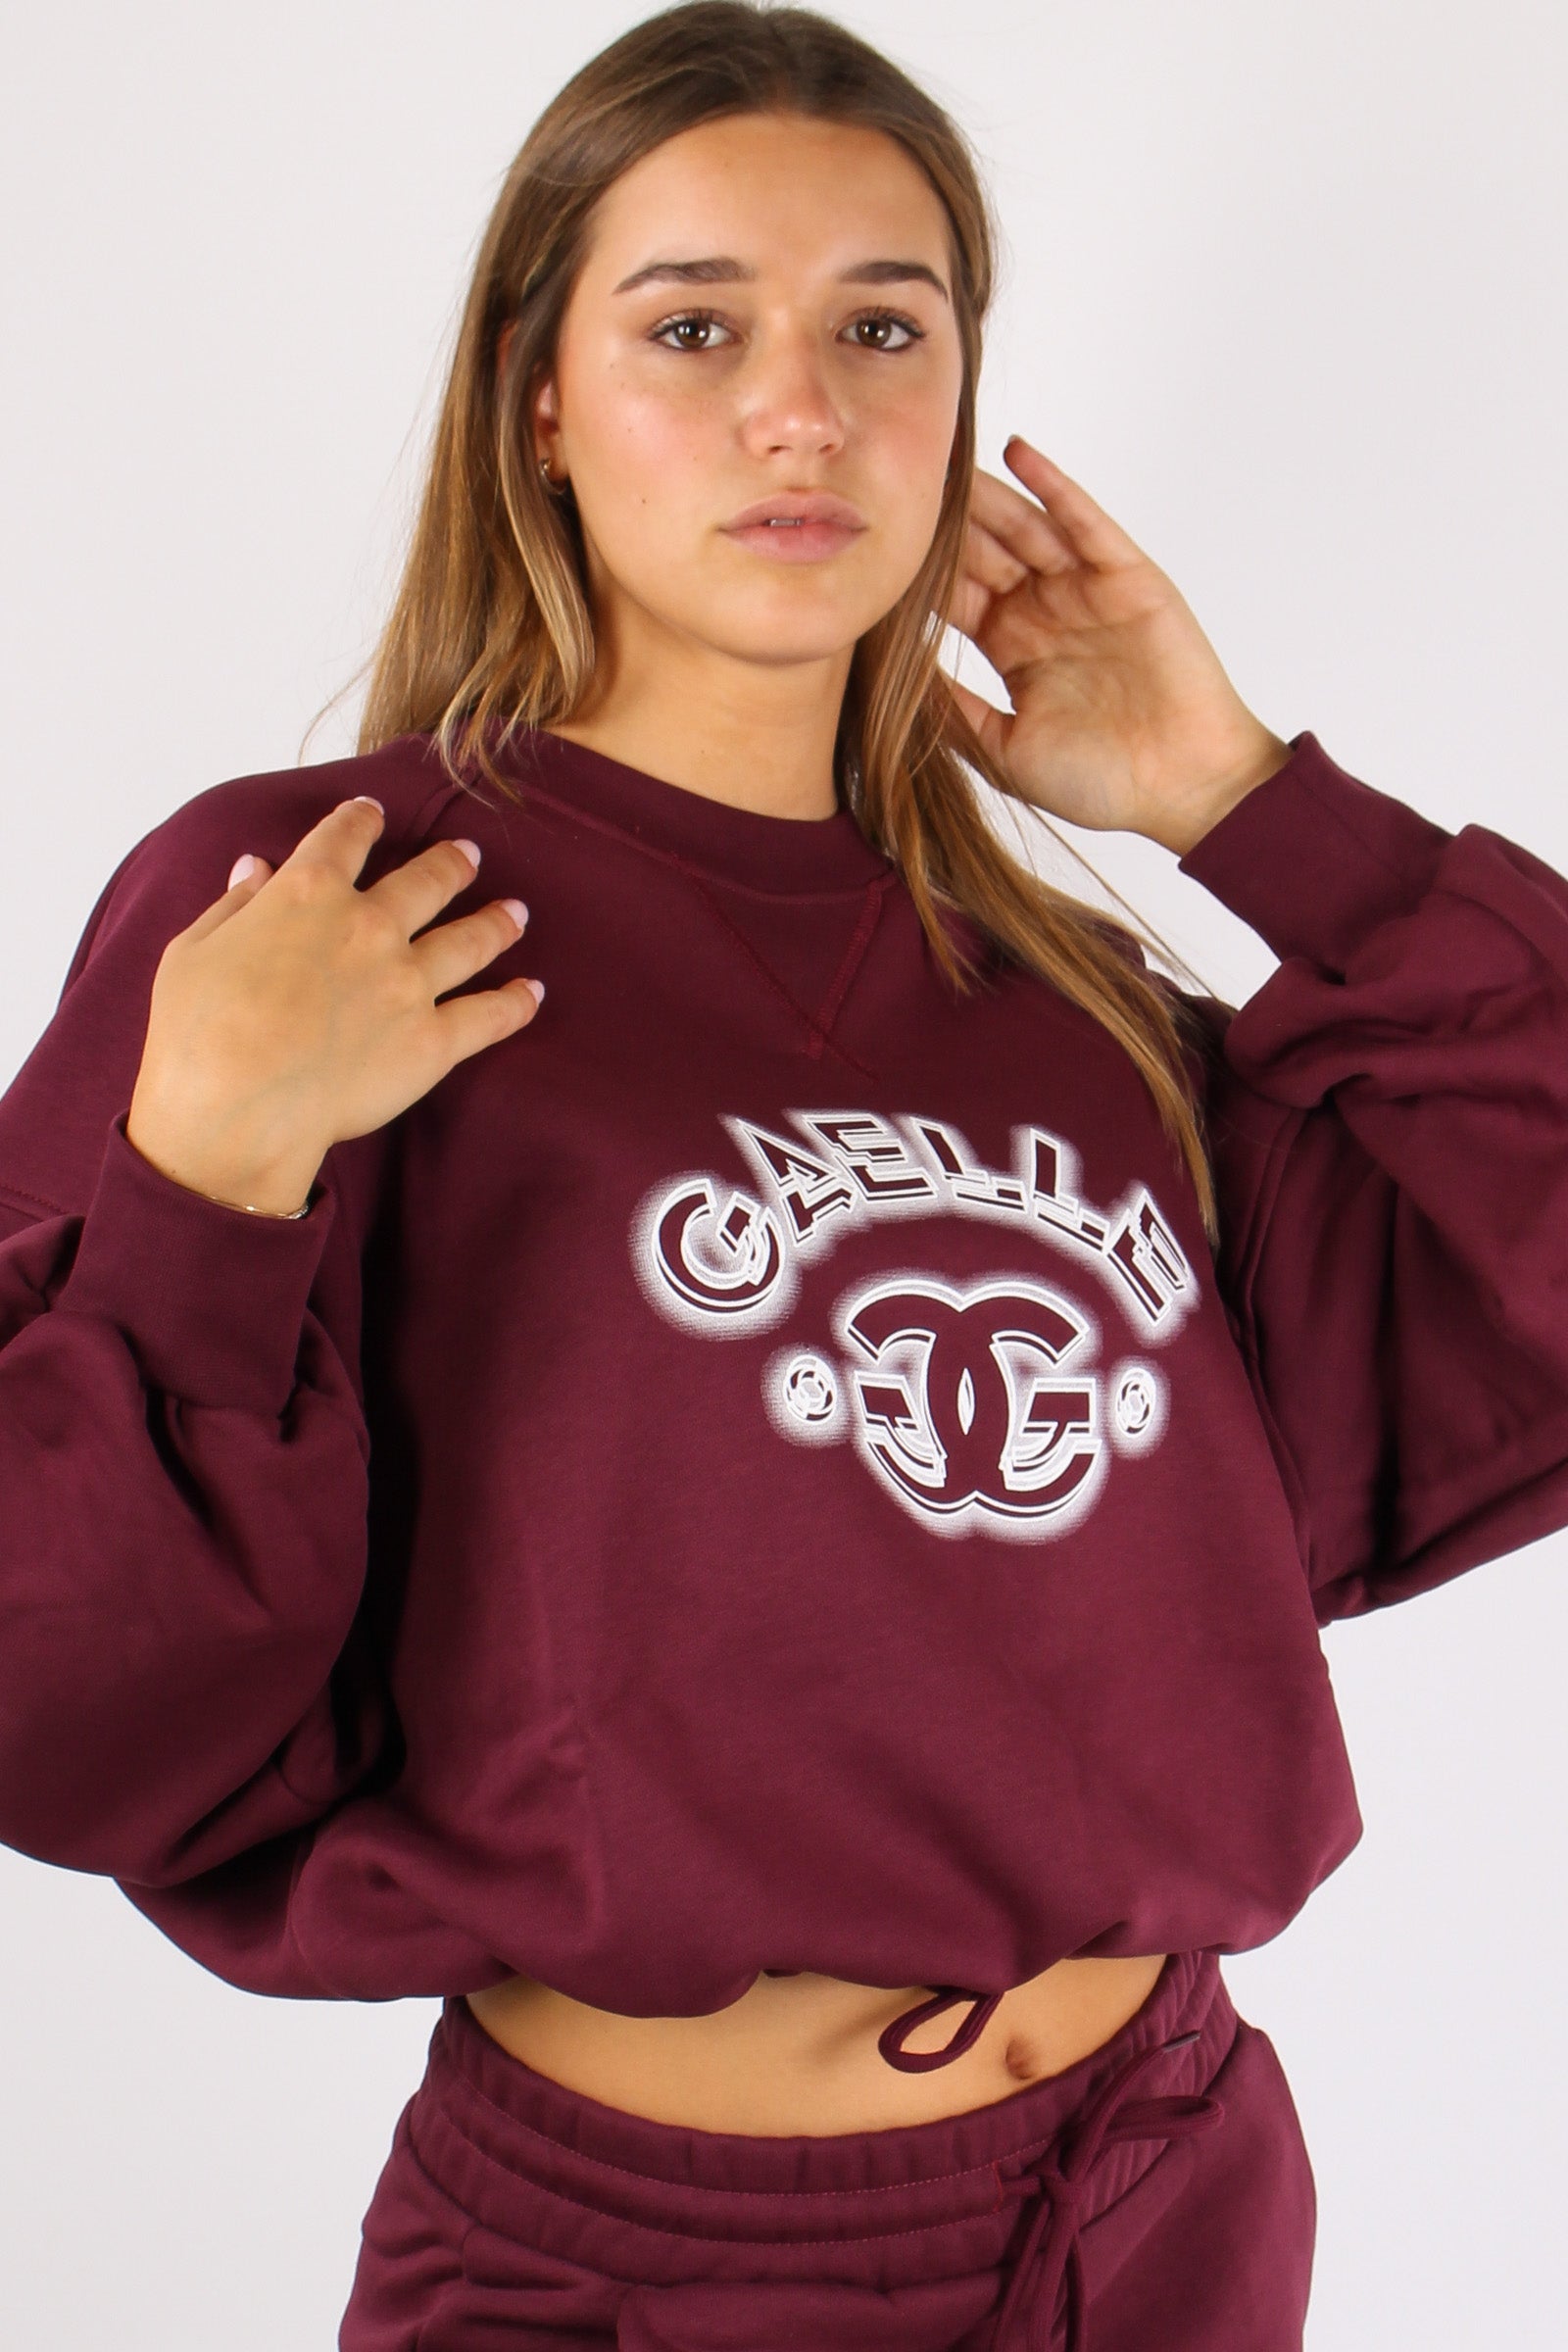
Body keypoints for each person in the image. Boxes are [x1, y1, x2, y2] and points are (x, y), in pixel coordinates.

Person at [1, 4, 1564, 2345]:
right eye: (693, 325)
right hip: (640, 2258)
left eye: (880, 328)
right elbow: (58, 1697)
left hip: (1158, 2193)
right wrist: (205, 1181)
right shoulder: (318, 906)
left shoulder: (1072, 1006)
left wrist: (1249, 807)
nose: (799, 412)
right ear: (537, 396)